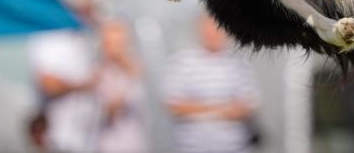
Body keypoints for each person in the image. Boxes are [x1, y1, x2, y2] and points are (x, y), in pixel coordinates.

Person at [162, 15, 261, 153]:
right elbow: (175, 106)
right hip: (193, 147)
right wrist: (222, 109)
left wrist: (198, 107)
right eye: (210, 29)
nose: (215, 34)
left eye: (219, 29)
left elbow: (248, 105)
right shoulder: (182, 62)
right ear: (200, 30)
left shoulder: (239, 63)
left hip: (235, 147)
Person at [27, 0, 101, 152]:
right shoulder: (49, 38)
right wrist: (84, 85)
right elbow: (48, 83)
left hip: (87, 140)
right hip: (60, 139)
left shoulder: (83, 40)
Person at [96, 18, 150, 153]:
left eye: (119, 44)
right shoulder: (96, 75)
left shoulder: (136, 73)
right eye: (110, 44)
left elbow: (136, 100)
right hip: (104, 146)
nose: (115, 50)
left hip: (134, 145)